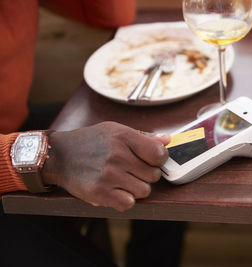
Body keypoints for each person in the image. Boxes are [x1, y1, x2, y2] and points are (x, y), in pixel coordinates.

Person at [0, 1, 185, 266]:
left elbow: (112, 13)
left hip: (15, 125)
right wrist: (53, 158)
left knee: (162, 161)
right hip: (12, 153)